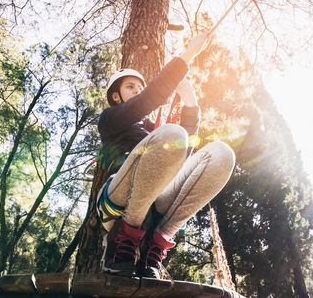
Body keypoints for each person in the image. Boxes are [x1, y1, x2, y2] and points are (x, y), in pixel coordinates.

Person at [96, 32, 235, 279]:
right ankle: (123, 237)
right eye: (131, 88)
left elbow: (183, 148)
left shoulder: (151, 132)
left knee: (221, 154)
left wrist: (191, 104)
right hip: (116, 201)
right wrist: (188, 54)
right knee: (170, 134)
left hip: (153, 203)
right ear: (116, 97)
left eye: (140, 88)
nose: (138, 92)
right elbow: (144, 104)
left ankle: (156, 242)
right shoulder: (109, 120)